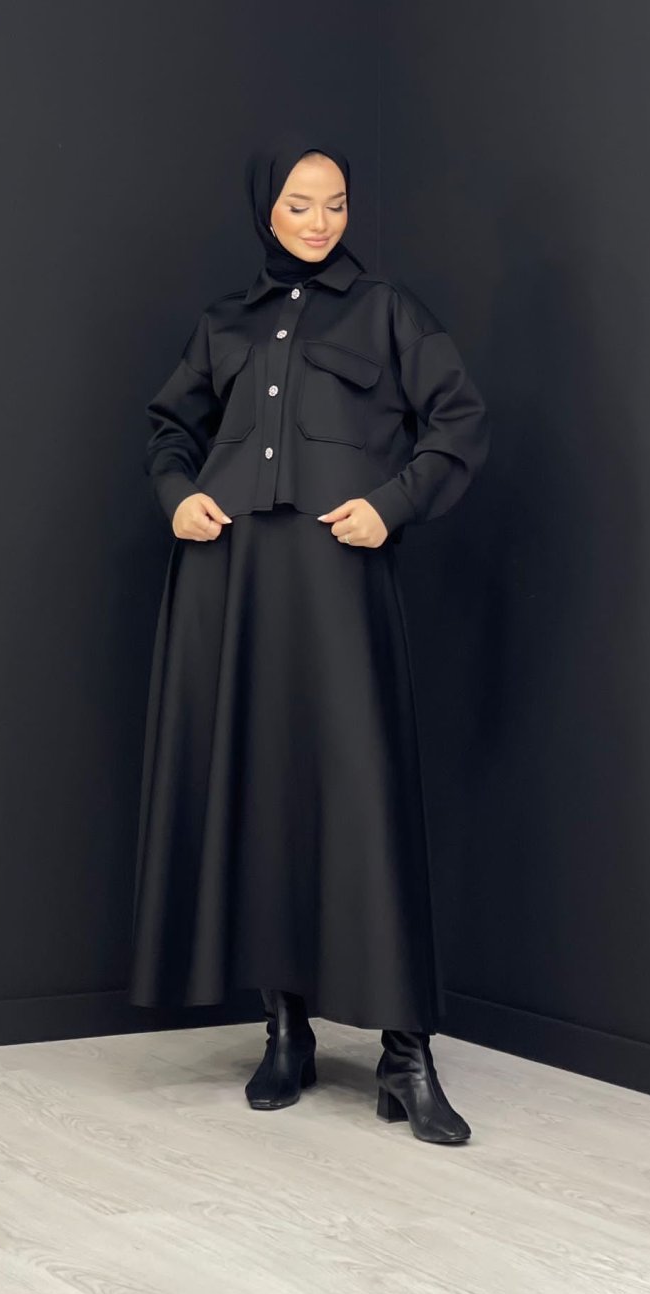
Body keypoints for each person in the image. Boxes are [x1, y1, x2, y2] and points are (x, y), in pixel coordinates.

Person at [129, 131, 490, 1144]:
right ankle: (284, 1031)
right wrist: (179, 496)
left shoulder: (387, 311)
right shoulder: (226, 322)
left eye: (335, 203)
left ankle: (407, 1057)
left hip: (337, 581)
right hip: (233, 582)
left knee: (363, 790)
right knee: (264, 790)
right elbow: (168, 429)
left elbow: (458, 421)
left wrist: (392, 505)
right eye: (300, 204)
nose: (320, 222)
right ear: (267, 209)